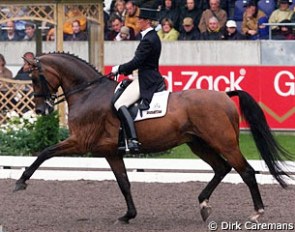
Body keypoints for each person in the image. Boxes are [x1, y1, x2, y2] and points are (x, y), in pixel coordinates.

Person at [111, 8, 165, 153]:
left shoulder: (149, 39)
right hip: (144, 75)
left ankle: (133, 140)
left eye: (140, 20)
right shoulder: (149, 36)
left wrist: (119, 69)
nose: (137, 22)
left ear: (147, 21)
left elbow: (137, 61)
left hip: (146, 79)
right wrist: (125, 71)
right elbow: (141, 62)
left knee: (119, 103)